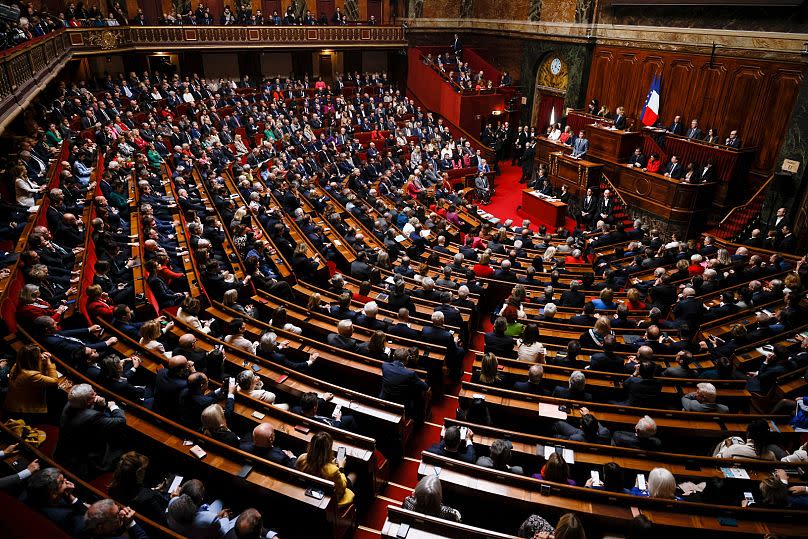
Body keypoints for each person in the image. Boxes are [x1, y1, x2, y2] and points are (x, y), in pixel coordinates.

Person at [54, 383, 126, 476]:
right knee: (119, 439)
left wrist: (101, 405)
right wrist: (113, 406)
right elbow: (120, 421)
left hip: (65, 447)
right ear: (88, 402)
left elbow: (88, 417)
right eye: (93, 395)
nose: (96, 394)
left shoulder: (71, 403)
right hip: (82, 457)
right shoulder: (92, 416)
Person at [296, 431, 355, 507]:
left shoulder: (302, 458)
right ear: (328, 450)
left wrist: (332, 465)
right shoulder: (333, 471)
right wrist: (341, 468)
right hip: (329, 499)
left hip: (309, 490)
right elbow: (342, 488)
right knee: (354, 474)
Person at [108, 452, 169, 525]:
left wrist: (154, 490)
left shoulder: (113, 488)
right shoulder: (148, 497)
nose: (144, 471)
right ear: (138, 473)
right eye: (143, 469)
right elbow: (165, 520)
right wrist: (172, 498)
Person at [4, 344, 59, 421]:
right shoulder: (31, 375)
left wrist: (41, 362)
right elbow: (54, 381)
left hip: (13, 404)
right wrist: (49, 363)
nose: (41, 355)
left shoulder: (17, 365)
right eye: (39, 354)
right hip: (24, 411)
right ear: (34, 359)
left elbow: (34, 368)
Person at [379, 348, 429, 416]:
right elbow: (425, 387)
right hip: (400, 404)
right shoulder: (410, 373)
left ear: (394, 356)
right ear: (407, 359)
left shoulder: (385, 365)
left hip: (384, 399)